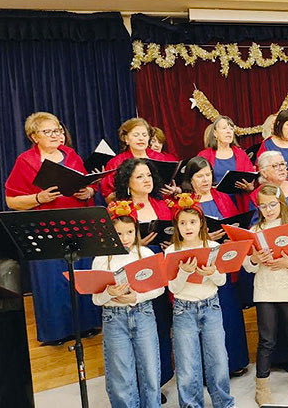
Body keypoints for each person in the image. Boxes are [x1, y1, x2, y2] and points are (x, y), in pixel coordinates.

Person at [4, 111, 99, 344]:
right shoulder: (25, 161)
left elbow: (88, 185)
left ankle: (86, 325)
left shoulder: (71, 154)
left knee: (81, 274)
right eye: (48, 131)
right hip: (45, 230)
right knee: (52, 281)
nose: (56, 135)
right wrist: (38, 198)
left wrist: (88, 192)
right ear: (34, 136)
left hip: (78, 225)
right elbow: (11, 201)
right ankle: (56, 333)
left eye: (57, 129)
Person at [243, 184, 288, 406]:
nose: (268, 209)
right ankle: (262, 385)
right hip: (265, 289)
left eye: (272, 204)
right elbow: (247, 265)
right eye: (263, 206)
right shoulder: (255, 231)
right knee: (266, 339)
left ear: (281, 203)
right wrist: (255, 260)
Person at [180, 157, 250, 377]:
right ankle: (208, 369)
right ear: (190, 180)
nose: (205, 180)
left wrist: (231, 237)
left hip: (225, 264)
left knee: (229, 314)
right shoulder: (187, 203)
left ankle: (235, 360)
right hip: (201, 266)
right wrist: (205, 237)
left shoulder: (223, 197)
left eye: (208, 175)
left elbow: (236, 225)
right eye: (199, 176)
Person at [166, 196, 235, 408]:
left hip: (211, 306)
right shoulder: (171, 251)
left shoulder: (212, 246)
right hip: (183, 310)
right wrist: (183, 274)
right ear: (176, 227)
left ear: (201, 224)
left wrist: (212, 272)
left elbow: (222, 280)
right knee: (188, 365)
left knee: (218, 360)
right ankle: (191, 405)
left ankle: (223, 402)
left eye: (193, 222)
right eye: (183, 223)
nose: (188, 227)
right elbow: (173, 288)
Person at [93, 201, 163, 408]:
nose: (125, 239)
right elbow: (96, 299)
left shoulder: (146, 254)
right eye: (119, 233)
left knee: (150, 370)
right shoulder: (101, 259)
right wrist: (108, 293)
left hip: (143, 314)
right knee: (120, 374)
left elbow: (159, 287)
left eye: (129, 232)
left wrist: (136, 298)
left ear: (136, 231)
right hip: (114, 318)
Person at [113, 158, 175, 387]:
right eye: (140, 176)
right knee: (139, 335)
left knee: (161, 326)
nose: (147, 180)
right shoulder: (120, 208)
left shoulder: (162, 204)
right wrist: (137, 244)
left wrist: (171, 244)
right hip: (134, 273)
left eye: (149, 175)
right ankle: (141, 383)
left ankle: (159, 380)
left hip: (162, 270)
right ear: (127, 182)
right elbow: (115, 244)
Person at [100, 118, 174, 202]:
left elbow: (173, 185)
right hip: (129, 208)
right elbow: (108, 198)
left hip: (160, 204)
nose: (141, 138)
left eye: (144, 135)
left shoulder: (160, 158)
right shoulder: (115, 163)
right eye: (136, 135)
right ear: (126, 139)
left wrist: (173, 190)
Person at [197, 115, 256, 211]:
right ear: (215, 133)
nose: (229, 131)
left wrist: (250, 188)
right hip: (215, 204)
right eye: (224, 128)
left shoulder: (241, 154)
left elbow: (250, 177)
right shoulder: (204, 155)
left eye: (231, 128)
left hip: (239, 203)